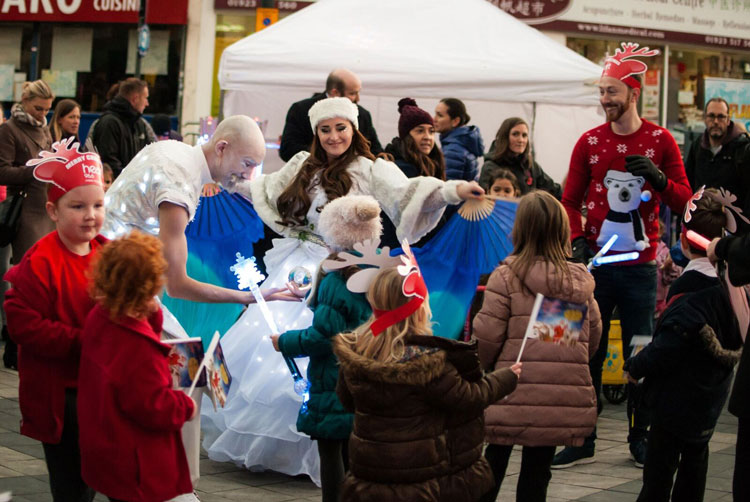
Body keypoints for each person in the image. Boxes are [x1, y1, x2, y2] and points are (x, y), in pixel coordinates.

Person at [202, 96, 483, 485]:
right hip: (294, 265)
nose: (333, 136)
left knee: (330, 349)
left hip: (343, 269)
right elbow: (264, 189)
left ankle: (330, 447)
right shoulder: (302, 164)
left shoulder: (371, 169)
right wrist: (223, 181)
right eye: (325, 129)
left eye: (340, 128)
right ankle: (282, 448)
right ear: (316, 132)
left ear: (354, 129)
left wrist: (455, 190)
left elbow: (410, 192)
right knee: (267, 351)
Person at [556, 42, 693, 469]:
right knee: (585, 351)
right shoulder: (589, 142)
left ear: (634, 93)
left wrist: (660, 180)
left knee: (641, 352)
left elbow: (686, 202)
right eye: (601, 91)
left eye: (611, 91)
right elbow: (568, 200)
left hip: (640, 271)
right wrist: (577, 240)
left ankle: (640, 436)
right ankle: (582, 437)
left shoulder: (661, 140)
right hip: (594, 268)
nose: (604, 99)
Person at [333, 257, 521, 501]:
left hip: (370, 473)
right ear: (419, 310)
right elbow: (470, 397)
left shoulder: (355, 356)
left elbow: (347, 401)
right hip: (419, 477)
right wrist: (506, 378)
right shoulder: (429, 365)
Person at [473, 191, 601, 502]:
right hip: (555, 395)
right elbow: (589, 339)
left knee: (493, 462)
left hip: (507, 387)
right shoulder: (576, 283)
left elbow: (487, 336)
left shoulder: (506, 277)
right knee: (538, 471)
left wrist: (483, 368)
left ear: (519, 229)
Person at [624, 188, 742, 502]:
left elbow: (669, 345)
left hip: (675, 402)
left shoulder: (690, 292)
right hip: (709, 399)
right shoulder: (730, 287)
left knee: (658, 477)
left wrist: (635, 366)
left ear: (684, 241)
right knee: (695, 471)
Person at [4, 140, 105, 501]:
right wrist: (82, 340)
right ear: (53, 210)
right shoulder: (40, 261)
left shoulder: (108, 253)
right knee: (71, 483)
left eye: (98, 205)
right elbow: (22, 324)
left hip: (101, 387)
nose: (90, 215)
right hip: (61, 395)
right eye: (78, 206)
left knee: (99, 472)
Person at [271, 195, 379, 502]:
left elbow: (323, 337)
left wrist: (285, 342)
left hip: (334, 379)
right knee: (353, 452)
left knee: (331, 453)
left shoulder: (336, 280)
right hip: (363, 375)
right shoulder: (374, 272)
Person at [77, 232, 197, 502]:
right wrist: (185, 406)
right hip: (136, 461)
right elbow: (153, 405)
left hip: (106, 444)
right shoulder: (139, 347)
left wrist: (152, 315)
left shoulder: (100, 316)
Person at [0, 80, 55, 370]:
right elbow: (2, 171)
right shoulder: (9, 130)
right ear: (24, 102)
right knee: (26, 280)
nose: (42, 114)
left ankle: (28, 346)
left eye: (46, 109)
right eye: (37, 109)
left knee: (42, 279)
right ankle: (14, 348)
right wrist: (34, 170)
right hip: (25, 212)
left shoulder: (44, 128)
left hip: (46, 208)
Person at [279, 69, 382, 161]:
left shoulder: (363, 115)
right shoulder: (301, 110)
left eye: (341, 128)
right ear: (335, 92)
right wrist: (327, 156)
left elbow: (375, 150)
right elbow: (288, 150)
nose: (357, 98)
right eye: (352, 93)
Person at [685, 97, 750, 233]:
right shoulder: (697, 146)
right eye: (711, 116)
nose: (715, 121)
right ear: (705, 118)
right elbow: (688, 182)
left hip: (733, 229)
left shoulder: (742, 148)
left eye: (721, 117)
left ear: (728, 120)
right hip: (701, 225)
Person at [482, 117, 561, 198]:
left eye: (524, 135)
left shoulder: (531, 166)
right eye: (515, 134)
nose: (521, 140)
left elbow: (553, 190)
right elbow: (484, 199)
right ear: (505, 137)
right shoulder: (491, 167)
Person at [91, 78, 153, 177]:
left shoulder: (139, 124)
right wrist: (129, 179)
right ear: (135, 98)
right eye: (145, 98)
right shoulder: (109, 123)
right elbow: (108, 160)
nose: (147, 103)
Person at [383, 97, 445, 179]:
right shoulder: (404, 169)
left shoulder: (434, 163)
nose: (427, 137)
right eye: (420, 131)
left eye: (431, 131)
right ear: (406, 136)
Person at [434, 97, 484, 181]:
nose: (434, 119)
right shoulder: (463, 143)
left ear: (455, 121)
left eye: (440, 115)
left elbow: (447, 186)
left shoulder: (452, 151)